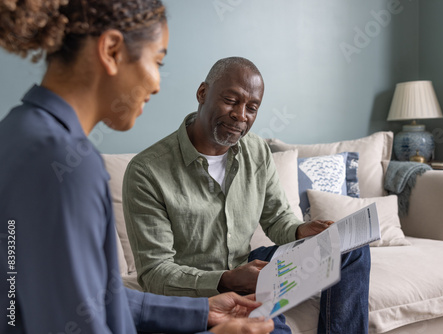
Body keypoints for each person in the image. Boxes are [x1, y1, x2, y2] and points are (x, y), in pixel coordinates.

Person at [0, 2, 274, 333]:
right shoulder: (66, 163)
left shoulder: (18, 131)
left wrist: (201, 313)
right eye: (157, 61)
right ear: (112, 50)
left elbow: (89, 297)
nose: (157, 83)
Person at [123, 56, 371, 333]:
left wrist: (301, 231)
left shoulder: (256, 150)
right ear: (202, 93)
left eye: (251, 108)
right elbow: (155, 274)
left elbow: (277, 218)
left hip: (250, 267)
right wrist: (227, 279)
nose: (241, 115)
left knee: (350, 247)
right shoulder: (147, 170)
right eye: (231, 101)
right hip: (201, 291)